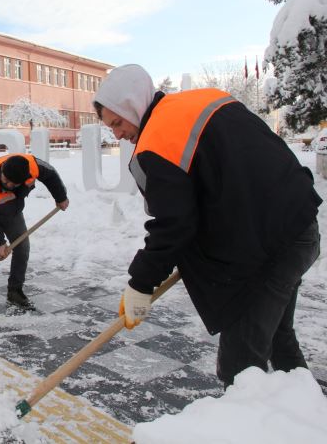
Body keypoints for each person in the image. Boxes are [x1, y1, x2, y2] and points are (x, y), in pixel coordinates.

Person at [93, 63, 322, 387]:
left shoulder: (157, 140)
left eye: (117, 122)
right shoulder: (203, 99)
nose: (117, 134)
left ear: (133, 104)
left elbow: (174, 223)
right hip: (297, 220)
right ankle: (310, 417)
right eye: (110, 127)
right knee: (279, 339)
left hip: (271, 245)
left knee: (240, 369)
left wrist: (141, 284)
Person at [0, 153, 69, 326]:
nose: (9, 185)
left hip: (10, 211)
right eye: (6, 181)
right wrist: (0, 242)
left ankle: (15, 292)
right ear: (2, 170)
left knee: (22, 247)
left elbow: (50, 175)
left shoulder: (32, 166)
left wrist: (60, 197)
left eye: (14, 184)